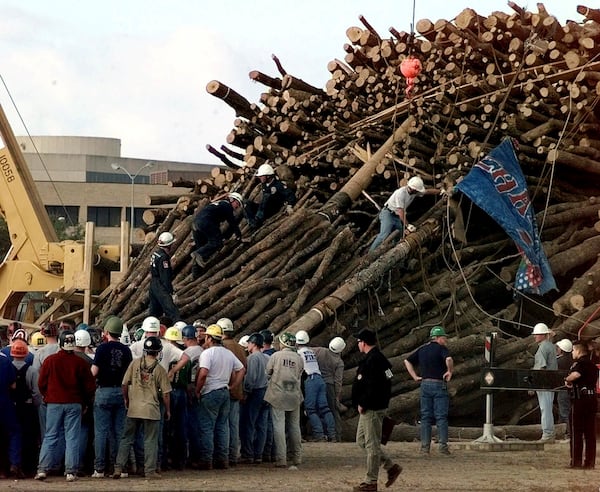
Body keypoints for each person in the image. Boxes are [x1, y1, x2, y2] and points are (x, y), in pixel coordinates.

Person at [34, 330, 96, 482]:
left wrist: (47, 395)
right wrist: (85, 402)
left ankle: (43, 469)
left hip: (54, 403)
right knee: (72, 437)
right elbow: (90, 386)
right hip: (74, 403)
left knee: (50, 435)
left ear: (60, 344)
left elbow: (41, 382)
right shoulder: (80, 363)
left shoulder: (50, 360)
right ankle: (70, 471)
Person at [113, 336, 171, 480]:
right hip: (151, 410)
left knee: (126, 438)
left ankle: (118, 468)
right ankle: (149, 471)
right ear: (158, 352)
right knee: (150, 440)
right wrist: (168, 410)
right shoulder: (160, 369)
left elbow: (124, 384)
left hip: (134, 408)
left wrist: (126, 399)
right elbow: (166, 394)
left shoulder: (135, 363)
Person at [352, 329, 402, 492]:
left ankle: (371, 481)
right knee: (361, 441)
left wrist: (364, 402)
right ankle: (390, 466)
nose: (358, 344)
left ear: (364, 342)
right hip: (373, 406)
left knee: (372, 445)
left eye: (358, 342)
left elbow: (373, 385)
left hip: (372, 407)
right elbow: (388, 379)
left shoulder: (373, 360)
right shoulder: (379, 359)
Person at [195, 324, 245, 470]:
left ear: (210, 338)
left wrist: (198, 390)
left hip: (210, 392)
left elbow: (203, 373)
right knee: (223, 427)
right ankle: (223, 460)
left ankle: (207, 460)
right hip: (224, 392)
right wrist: (233, 385)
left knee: (207, 427)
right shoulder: (228, 353)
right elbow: (241, 369)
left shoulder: (207, 354)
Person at [90, 316, 133, 479]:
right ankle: (120, 468)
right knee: (120, 432)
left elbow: (94, 372)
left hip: (104, 392)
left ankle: (99, 469)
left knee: (101, 432)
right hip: (121, 392)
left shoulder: (101, 349)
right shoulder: (126, 350)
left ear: (106, 332)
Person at [404, 326, 453, 456]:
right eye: (444, 337)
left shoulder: (422, 349)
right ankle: (443, 447)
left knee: (425, 417)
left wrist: (414, 376)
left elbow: (407, 361)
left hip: (425, 384)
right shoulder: (442, 349)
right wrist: (449, 371)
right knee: (441, 417)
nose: (445, 340)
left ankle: (425, 448)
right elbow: (448, 359)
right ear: (437, 338)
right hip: (438, 384)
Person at [368, 176, 442, 253]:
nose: (418, 192)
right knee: (384, 235)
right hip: (388, 213)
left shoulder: (414, 192)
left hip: (396, 216)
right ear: (413, 189)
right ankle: (370, 255)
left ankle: (393, 253)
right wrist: (407, 225)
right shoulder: (401, 193)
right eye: (417, 190)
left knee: (399, 235)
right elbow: (400, 211)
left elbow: (427, 191)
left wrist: (440, 191)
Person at [264, 332, 304, 469]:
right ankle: (297, 456)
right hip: (294, 394)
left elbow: (268, 372)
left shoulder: (275, 356)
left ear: (282, 343)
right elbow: (299, 373)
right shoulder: (298, 358)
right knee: (294, 426)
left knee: (278, 426)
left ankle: (281, 458)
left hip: (278, 395)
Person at [295, 330, 336, 442]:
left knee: (310, 410)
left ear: (296, 342)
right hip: (320, 379)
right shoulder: (311, 352)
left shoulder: (298, 354)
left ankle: (319, 435)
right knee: (325, 409)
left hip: (310, 380)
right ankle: (332, 434)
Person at [218, 317, 247, 466]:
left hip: (225, 388)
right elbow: (244, 368)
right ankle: (234, 455)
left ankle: (225, 456)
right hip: (237, 390)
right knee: (234, 425)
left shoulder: (223, 347)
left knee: (223, 425)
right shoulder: (240, 348)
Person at [190, 192, 247, 270]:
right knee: (216, 242)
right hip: (205, 222)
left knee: (202, 248)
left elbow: (216, 225)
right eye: (237, 203)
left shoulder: (220, 205)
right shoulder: (227, 206)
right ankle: (198, 253)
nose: (237, 206)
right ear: (231, 200)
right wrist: (239, 236)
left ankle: (196, 272)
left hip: (196, 224)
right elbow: (232, 223)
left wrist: (223, 237)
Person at [10, 339, 41, 477]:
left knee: (11, 436)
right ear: (26, 353)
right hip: (27, 407)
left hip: (11, 407)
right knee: (29, 437)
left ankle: (13, 463)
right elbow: (36, 392)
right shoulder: (32, 370)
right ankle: (28, 467)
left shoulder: (7, 367)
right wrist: (36, 407)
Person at [564, 340, 598, 469]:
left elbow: (576, 374)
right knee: (590, 433)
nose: (572, 352)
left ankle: (576, 461)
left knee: (576, 432)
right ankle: (590, 462)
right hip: (592, 400)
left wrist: (567, 379)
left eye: (573, 350)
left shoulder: (580, 363)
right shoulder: (593, 365)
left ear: (578, 350)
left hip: (580, 401)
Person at [240, 332, 270, 464]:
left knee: (249, 424)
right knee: (262, 425)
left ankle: (248, 454)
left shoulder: (253, 358)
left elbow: (250, 378)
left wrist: (246, 391)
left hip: (255, 393)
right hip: (266, 392)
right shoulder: (266, 358)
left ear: (253, 344)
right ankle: (259, 454)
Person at [312, 336, 346, 442]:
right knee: (332, 410)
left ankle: (318, 434)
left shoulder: (319, 350)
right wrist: (337, 395)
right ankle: (336, 435)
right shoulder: (339, 362)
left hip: (315, 382)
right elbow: (338, 380)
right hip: (329, 386)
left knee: (315, 409)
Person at [245, 163, 296, 229]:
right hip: (263, 208)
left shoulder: (278, 185)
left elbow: (290, 194)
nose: (259, 178)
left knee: (266, 196)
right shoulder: (264, 185)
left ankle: (258, 220)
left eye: (261, 176)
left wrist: (289, 205)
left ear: (268, 176)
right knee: (246, 203)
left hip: (273, 209)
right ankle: (252, 222)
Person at [530, 322, 557, 441]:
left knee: (545, 408)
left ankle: (548, 434)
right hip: (550, 382)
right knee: (547, 407)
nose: (534, 336)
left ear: (542, 335)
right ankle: (549, 432)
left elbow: (541, 368)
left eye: (536, 334)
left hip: (544, 383)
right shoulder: (551, 345)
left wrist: (533, 384)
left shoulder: (542, 348)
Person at [181, 325, 203, 468]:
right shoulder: (202, 350)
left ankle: (190, 457)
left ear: (185, 338)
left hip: (190, 386)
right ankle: (197, 456)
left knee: (188, 424)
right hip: (200, 387)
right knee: (198, 424)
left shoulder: (187, 352)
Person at [1, 345, 23, 479]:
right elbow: (13, 385)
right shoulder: (5, 361)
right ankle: (14, 464)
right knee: (14, 432)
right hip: (4, 402)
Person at [149, 231, 179, 321]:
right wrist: (170, 292)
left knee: (154, 312)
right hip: (160, 285)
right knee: (173, 312)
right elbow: (165, 277)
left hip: (153, 284)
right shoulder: (164, 258)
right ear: (169, 245)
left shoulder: (156, 253)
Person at [555, 339, 573, 438]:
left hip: (562, 389)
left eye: (558, 348)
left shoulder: (559, 361)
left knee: (564, 412)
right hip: (572, 389)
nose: (557, 349)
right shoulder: (573, 360)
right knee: (567, 410)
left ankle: (570, 433)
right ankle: (562, 432)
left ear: (562, 350)